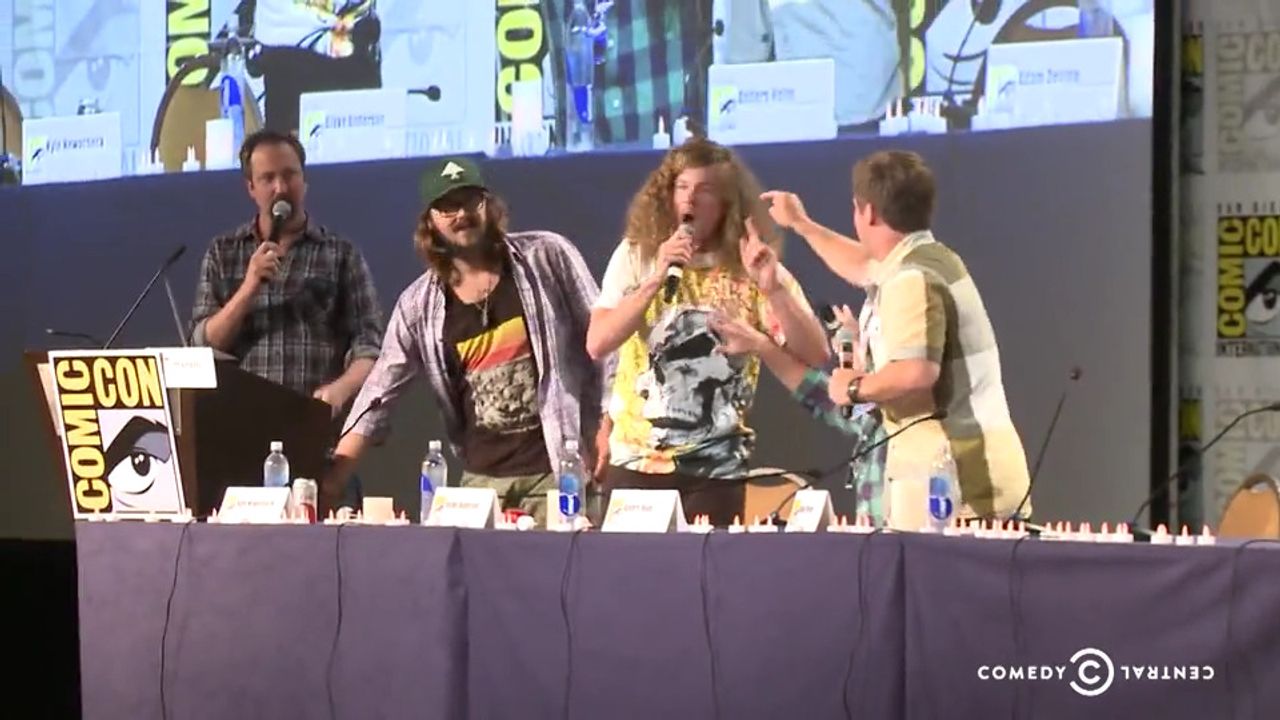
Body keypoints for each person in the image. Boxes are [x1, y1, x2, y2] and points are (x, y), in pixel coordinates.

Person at [325, 156, 606, 524]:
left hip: (558, 473)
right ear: (430, 221)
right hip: (481, 484)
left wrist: (608, 425)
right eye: (447, 207)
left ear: (488, 204)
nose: (461, 214)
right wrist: (337, 474)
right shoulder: (418, 305)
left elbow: (607, 340)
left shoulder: (547, 255)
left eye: (470, 201)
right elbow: (379, 392)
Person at [761, 149, 1030, 522]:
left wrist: (853, 387)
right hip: (970, 479)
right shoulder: (931, 259)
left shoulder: (910, 279)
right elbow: (863, 265)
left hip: (957, 488)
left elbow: (916, 371)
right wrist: (801, 224)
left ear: (868, 212)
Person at [587, 137, 829, 526]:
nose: (690, 199)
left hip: (715, 470)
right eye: (682, 187)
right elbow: (598, 342)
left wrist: (773, 290)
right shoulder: (636, 255)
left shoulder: (749, 263)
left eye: (704, 190)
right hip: (635, 462)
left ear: (726, 204)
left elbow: (816, 355)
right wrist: (654, 279)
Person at [190, 129, 385, 507]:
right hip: (239, 447)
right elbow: (202, 345)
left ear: (304, 180)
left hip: (317, 443)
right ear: (251, 187)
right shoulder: (224, 253)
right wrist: (249, 286)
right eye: (268, 178)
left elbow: (371, 348)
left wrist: (339, 390)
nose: (281, 187)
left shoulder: (340, 254)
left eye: (290, 175)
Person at [711, 304, 889, 524]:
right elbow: (816, 392)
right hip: (879, 541)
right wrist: (762, 346)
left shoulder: (905, 418)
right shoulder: (870, 415)